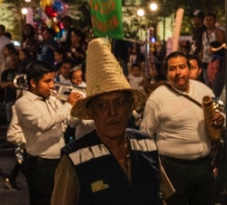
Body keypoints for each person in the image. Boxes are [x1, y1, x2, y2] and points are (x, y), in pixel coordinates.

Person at [51, 38, 174, 204]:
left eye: (120, 102)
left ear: (130, 106)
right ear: (90, 112)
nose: (112, 112)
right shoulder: (74, 159)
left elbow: (162, 196)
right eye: (102, 105)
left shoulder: (147, 145)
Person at [139, 51, 222, 205]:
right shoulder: (157, 98)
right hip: (172, 170)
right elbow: (145, 135)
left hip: (203, 167)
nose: (178, 72)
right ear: (167, 72)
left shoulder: (203, 90)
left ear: (189, 69)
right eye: (172, 68)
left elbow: (219, 110)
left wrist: (220, 118)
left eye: (182, 67)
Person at [6, 61, 82, 205]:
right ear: (33, 82)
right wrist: (68, 105)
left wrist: (81, 110)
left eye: (53, 80)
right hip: (40, 164)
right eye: (47, 81)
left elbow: (71, 122)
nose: (53, 85)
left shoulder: (52, 99)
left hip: (59, 159)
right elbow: (43, 124)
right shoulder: (23, 103)